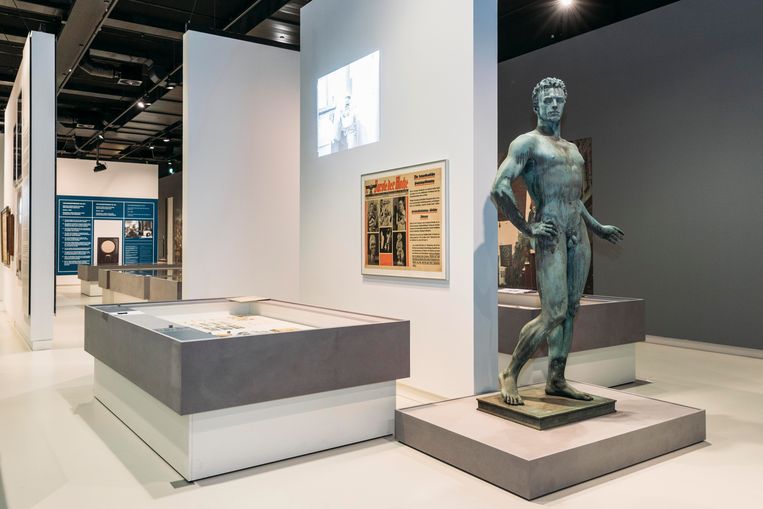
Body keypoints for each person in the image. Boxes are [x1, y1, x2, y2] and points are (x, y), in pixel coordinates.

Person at [490, 77, 624, 405]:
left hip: (577, 230)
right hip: (550, 229)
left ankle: (556, 378)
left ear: (564, 104)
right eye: (547, 100)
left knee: (572, 309)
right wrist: (526, 227)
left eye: (558, 100)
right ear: (536, 106)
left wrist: (597, 227)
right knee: (554, 312)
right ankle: (510, 373)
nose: (553, 105)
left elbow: (575, 200)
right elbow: (499, 187)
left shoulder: (573, 150)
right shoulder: (527, 143)